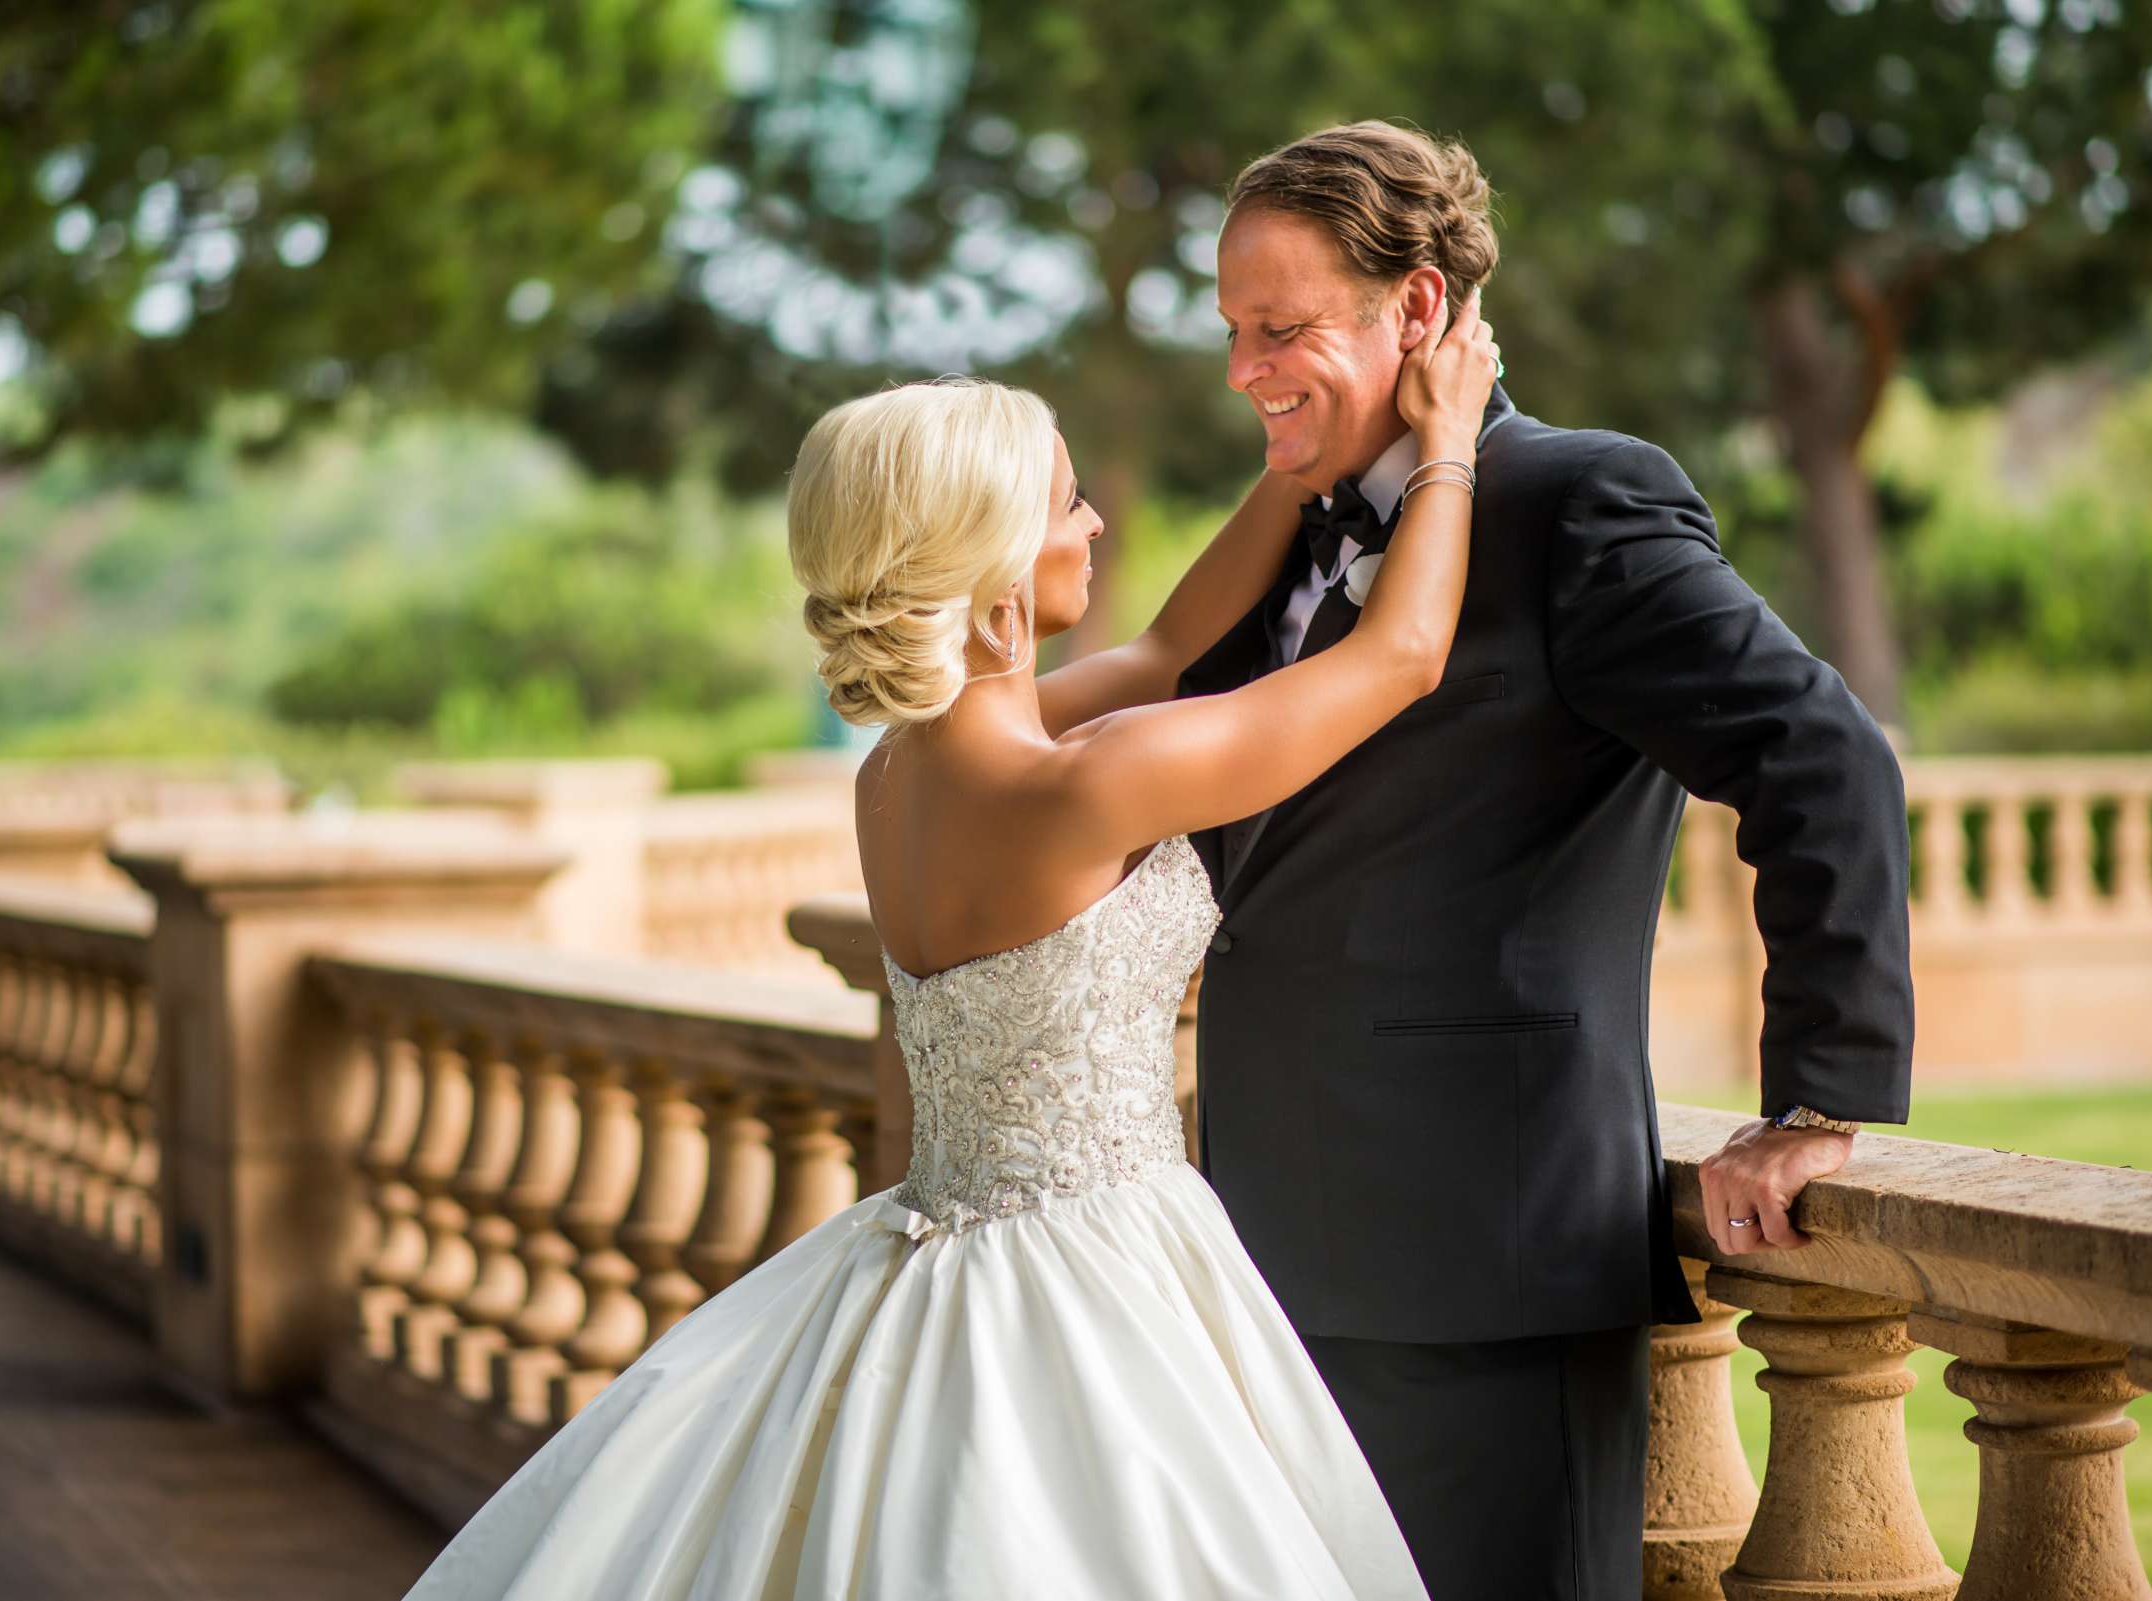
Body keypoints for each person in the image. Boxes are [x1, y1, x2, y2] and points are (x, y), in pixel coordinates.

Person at [395, 300, 1501, 1600]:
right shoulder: (1088, 789)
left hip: (924, 1247)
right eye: (1067, 502)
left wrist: (1290, 472)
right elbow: (1405, 655)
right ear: (986, 566)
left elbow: (1163, 648)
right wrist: (1450, 446)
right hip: (1095, 1276)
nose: (1093, 524)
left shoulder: (894, 777)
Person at [1182, 121, 1916, 1600]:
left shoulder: (1582, 504)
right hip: (1272, 1252)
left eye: (1285, 328)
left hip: (1485, 1258)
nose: (1248, 368)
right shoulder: (1292, 530)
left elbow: (1825, 756)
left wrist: (1822, 1092)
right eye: (1233, 331)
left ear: (1420, 309)